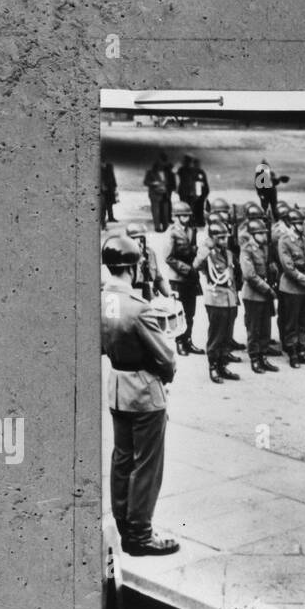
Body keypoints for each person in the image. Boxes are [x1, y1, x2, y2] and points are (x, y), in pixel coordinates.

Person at [100, 235, 180, 556]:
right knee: (147, 464)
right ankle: (141, 534)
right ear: (133, 269)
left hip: (117, 386)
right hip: (145, 393)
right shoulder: (139, 309)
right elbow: (167, 359)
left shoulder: (102, 300)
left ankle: (123, 523)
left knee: (121, 459)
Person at [193, 220, 240, 383]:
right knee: (216, 335)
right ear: (212, 238)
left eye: (225, 237)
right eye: (220, 238)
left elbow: (233, 276)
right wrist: (206, 248)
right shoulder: (207, 253)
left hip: (229, 298)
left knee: (227, 334)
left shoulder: (228, 253)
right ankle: (213, 366)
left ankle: (222, 365)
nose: (224, 240)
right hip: (215, 298)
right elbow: (196, 265)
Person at [276, 210, 305, 367]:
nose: (304, 226)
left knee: (303, 320)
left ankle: (301, 349)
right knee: (291, 322)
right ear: (293, 224)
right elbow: (289, 268)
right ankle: (292, 352)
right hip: (292, 288)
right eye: (301, 223)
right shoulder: (285, 240)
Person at [240, 218, 279, 374]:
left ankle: (263, 356)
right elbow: (250, 275)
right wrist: (267, 289)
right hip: (253, 294)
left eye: (265, 233)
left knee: (265, 328)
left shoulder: (264, 248)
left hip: (264, 293)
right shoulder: (247, 249)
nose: (264, 236)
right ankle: (255, 358)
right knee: (254, 329)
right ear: (254, 234)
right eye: (261, 234)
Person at [165, 204, 204, 355]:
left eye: (188, 215)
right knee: (179, 311)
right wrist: (186, 269)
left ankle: (188, 340)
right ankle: (179, 342)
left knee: (190, 312)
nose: (187, 218)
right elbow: (168, 258)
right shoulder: (172, 232)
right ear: (177, 216)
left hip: (191, 278)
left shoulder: (192, 230)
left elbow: (194, 250)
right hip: (178, 278)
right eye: (184, 216)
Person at [125, 223, 170, 301]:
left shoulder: (150, 252)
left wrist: (168, 293)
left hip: (149, 295)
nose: (139, 242)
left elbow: (158, 277)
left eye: (142, 239)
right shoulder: (125, 256)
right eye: (135, 238)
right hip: (132, 296)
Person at [100, 161, 118, 227]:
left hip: (110, 188)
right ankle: (103, 222)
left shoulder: (109, 166)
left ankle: (111, 217)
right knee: (103, 206)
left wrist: (114, 186)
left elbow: (112, 176)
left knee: (110, 203)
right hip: (102, 190)